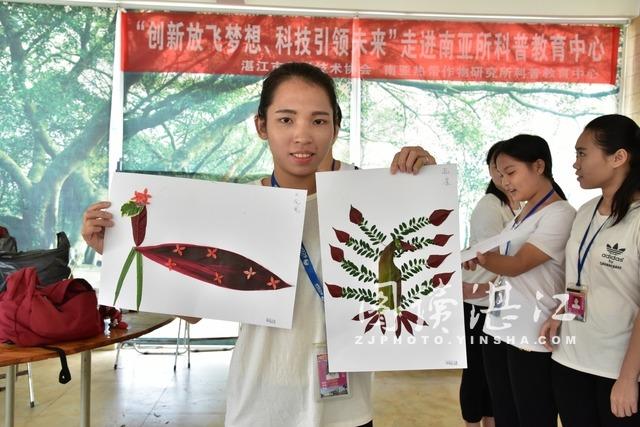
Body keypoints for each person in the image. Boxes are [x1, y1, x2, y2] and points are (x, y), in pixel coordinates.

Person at [81, 62, 434, 427]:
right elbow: (192, 308)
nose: (302, 135)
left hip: (346, 409)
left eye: (318, 120)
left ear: (335, 127)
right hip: (261, 405)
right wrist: (118, 249)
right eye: (285, 119)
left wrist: (423, 186)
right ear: (261, 126)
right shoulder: (242, 207)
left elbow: (412, 287)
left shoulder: (371, 199)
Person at [463, 134, 576, 427]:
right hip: (499, 326)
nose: (505, 182)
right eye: (500, 175)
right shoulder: (523, 212)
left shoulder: (560, 213)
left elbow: (516, 266)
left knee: (532, 415)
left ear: (539, 166)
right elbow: (506, 279)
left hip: (531, 333)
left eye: (511, 172)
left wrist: (482, 257)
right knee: (505, 412)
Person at [539, 114, 640, 427]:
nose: (575, 163)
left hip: (615, 371)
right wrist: (560, 313)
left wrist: (627, 378)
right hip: (569, 360)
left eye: (582, 153)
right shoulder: (584, 212)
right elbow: (582, 279)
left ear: (618, 157)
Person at [460, 140, 520, 427]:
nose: (503, 176)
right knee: (476, 373)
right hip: (477, 300)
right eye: (496, 169)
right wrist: (485, 289)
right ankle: (473, 422)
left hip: (499, 301)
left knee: (494, 373)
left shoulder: (516, 205)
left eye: (508, 169)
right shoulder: (489, 205)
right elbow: (491, 258)